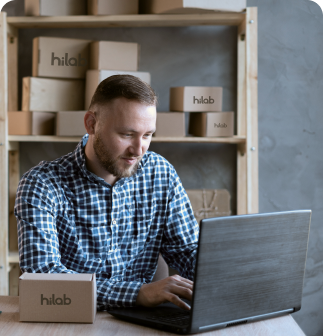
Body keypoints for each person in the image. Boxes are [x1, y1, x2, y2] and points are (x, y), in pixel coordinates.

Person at [15, 75, 199, 311]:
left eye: (147, 135)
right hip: (71, 319)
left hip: (143, 322)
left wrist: (230, 276)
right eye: (126, 134)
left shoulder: (160, 173)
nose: (138, 149)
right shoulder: (42, 184)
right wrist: (137, 293)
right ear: (91, 124)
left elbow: (186, 251)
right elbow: (43, 276)